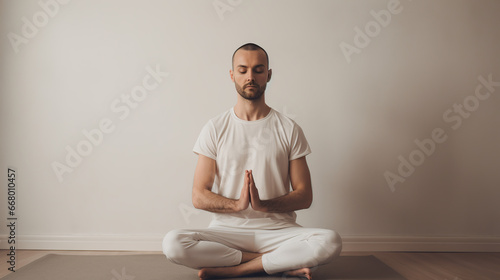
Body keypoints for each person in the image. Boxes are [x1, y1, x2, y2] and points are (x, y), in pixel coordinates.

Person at [162, 43, 342, 280]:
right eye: (243, 69)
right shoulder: (215, 128)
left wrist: (264, 205)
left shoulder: (289, 128)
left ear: (268, 74)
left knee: (330, 241)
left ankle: (237, 269)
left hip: (279, 231)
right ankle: (278, 262)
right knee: (173, 243)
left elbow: (304, 196)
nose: (250, 77)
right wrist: (237, 205)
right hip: (227, 232)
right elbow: (198, 195)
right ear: (232, 74)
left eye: (258, 70)